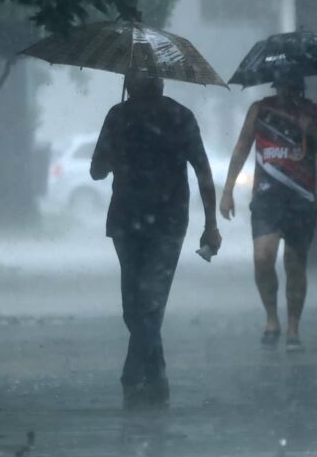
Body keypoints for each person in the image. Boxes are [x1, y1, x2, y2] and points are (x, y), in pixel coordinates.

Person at [90, 70, 222, 409]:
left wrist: (211, 224)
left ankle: (134, 376)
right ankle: (157, 374)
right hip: (150, 222)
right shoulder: (135, 117)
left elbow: (97, 169)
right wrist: (210, 224)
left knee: (142, 303)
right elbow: (98, 169)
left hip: (150, 222)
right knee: (140, 306)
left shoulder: (139, 116)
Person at [220, 75, 317, 352]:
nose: (289, 90)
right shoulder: (260, 110)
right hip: (267, 198)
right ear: (277, 85)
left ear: (301, 87)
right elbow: (241, 148)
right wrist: (228, 190)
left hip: (301, 199)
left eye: (294, 86)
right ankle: (272, 318)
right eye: (285, 85)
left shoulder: (314, 112)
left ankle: (293, 327)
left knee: (295, 264)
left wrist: (313, 133)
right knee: (263, 258)